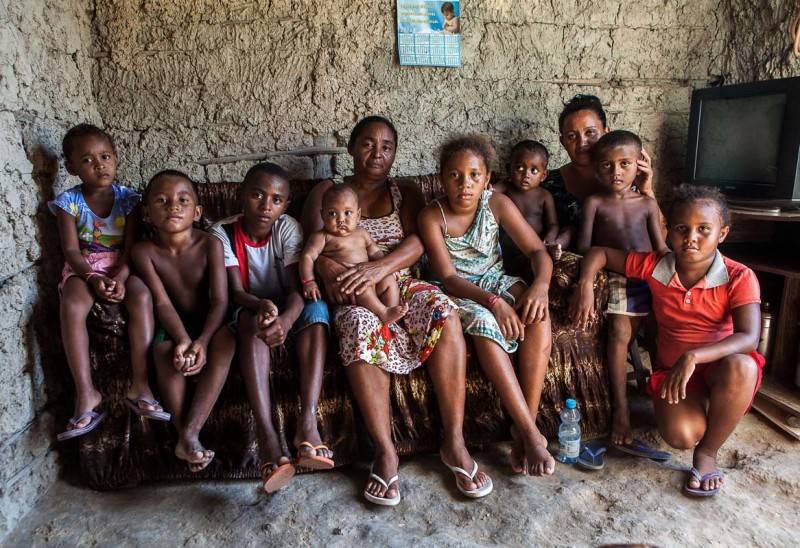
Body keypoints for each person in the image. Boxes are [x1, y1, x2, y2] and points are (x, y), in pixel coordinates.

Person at [300, 115, 491, 506]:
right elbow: (307, 247)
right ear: (351, 148)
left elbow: (420, 241)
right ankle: (386, 452)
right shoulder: (327, 191)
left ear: (395, 153)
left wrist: (380, 267)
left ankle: (454, 443)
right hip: (352, 291)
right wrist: (326, 267)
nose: (377, 153)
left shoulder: (405, 191)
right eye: (368, 144)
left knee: (443, 310)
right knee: (358, 323)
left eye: (386, 146)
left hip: (398, 282)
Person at [570, 185, 764, 496]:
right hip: (674, 375)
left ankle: (708, 454)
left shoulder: (738, 276)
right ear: (668, 231)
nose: (691, 238)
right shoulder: (656, 266)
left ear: (722, 234)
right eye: (681, 228)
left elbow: (750, 337)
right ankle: (714, 408)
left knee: (743, 366)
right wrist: (585, 285)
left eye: (704, 229)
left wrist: (694, 356)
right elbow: (599, 253)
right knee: (681, 436)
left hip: (720, 368)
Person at [418, 134, 555, 477]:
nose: (465, 184)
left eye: (474, 175)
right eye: (455, 175)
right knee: (483, 323)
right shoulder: (432, 216)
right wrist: (493, 303)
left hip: (494, 279)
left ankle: (525, 428)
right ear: (441, 178)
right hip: (460, 291)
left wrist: (540, 287)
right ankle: (531, 435)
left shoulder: (497, 204)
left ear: (487, 178)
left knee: (537, 314)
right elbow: (448, 277)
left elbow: (537, 251)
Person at [210, 162, 333, 493]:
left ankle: (307, 424)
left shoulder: (287, 228)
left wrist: (287, 320)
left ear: (285, 204)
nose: (266, 206)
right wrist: (263, 307)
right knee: (252, 324)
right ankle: (267, 436)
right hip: (249, 306)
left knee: (318, 308)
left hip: (287, 304)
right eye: (257, 195)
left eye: (276, 200)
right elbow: (236, 292)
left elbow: (297, 289)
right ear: (241, 196)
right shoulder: (221, 233)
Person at [50, 124, 166, 442]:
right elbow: (71, 250)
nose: (99, 165)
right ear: (71, 167)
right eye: (87, 160)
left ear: (115, 158)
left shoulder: (129, 200)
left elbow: (131, 247)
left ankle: (140, 385)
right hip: (84, 268)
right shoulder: (68, 203)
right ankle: (86, 393)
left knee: (142, 297)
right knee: (72, 305)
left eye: (104, 156)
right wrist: (91, 277)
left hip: (123, 266)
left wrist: (122, 278)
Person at [132, 170, 233, 472]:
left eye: (182, 200)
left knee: (228, 339)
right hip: (174, 322)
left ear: (197, 212)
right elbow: (161, 302)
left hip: (210, 322)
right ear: (146, 214)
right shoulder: (144, 251)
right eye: (162, 201)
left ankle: (190, 432)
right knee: (163, 352)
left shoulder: (210, 244)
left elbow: (221, 301)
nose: (173, 206)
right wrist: (183, 340)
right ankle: (184, 435)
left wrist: (201, 341)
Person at [575, 130, 667, 447]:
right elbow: (584, 247)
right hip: (616, 276)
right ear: (597, 168)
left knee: (661, 331)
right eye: (607, 165)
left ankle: (663, 397)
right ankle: (621, 408)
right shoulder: (594, 203)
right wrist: (589, 279)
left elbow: (661, 249)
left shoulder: (647, 204)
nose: (616, 172)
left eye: (625, 163)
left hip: (650, 276)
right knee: (618, 331)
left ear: (639, 163)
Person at [544, 94, 656, 250]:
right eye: (572, 136)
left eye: (590, 132)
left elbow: (660, 239)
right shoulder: (548, 184)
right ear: (563, 142)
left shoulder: (627, 181)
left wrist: (646, 190)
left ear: (606, 132)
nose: (582, 142)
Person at [300, 184, 408, 324]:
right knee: (357, 283)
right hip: (346, 285)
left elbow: (375, 252)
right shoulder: (321, 237)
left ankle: (392, 319)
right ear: (322, 215)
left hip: (370, 279)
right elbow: (308, 256)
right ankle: (383, 312)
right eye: (332, 213)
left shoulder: (362, 233)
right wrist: (309, 281)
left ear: (358, 215)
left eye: (348, 213)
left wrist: (388, 268)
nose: (341, 219)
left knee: (389, 280)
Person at [493, 139, 561, 264]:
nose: (526, 175)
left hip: (534, 249)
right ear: (509, 169)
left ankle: (550, 251)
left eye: (534, 170)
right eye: (519, 167)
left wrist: (550, 236)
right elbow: (489, 193)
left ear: (543, 175)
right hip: (507, 248)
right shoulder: (506, 186)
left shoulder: (544, 196)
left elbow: (553, 224)